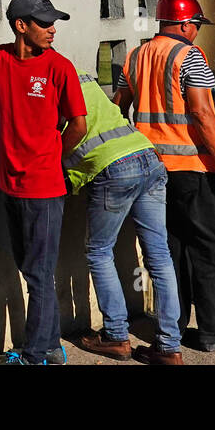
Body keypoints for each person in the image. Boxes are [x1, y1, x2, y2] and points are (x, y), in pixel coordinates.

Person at [114, 0, 215, 353]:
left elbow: (119, 107)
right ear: (186, 24)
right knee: (209, 249)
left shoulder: (135, 56)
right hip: (192, 168)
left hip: (150, 169)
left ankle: (173, 325)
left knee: (168, 250)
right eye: (197, 25)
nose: (197, 32)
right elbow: (202, 114)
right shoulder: (190, 57)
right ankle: (214, 331)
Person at [0, 0, 86, 365]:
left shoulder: (60, 67)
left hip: (45, 187)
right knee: (30, 269)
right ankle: (51, 347)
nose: (52, 30)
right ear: (20, 26)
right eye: (44, 23)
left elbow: (78, 125)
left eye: (54, 22)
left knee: (40, 273)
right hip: (8, 184)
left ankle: (37, 352)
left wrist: (52, 156)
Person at [68, 69, 183, 365]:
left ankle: (116, 336)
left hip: (114, 168)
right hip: (147, 155)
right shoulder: (81, 78)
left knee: (98, 251)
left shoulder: (46, 84)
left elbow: (73, 130)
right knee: (159, 255)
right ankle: (169, 347)